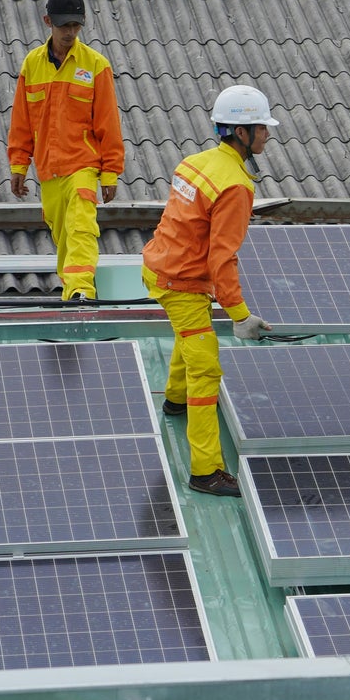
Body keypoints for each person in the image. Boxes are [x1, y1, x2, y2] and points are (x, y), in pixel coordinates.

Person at [141, 86, 281, 496]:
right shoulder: (236, 186)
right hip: (179, 283)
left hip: (158, 265)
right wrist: (240, 316)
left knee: (192, 336)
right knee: (206, 367)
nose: (268, 135)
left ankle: (174, 401)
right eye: (261, 128)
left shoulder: (194, 163)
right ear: (241, 132)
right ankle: (206, 471)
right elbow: (223, 258)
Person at [7, 0, 124, 302]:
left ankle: (81, 290)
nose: (71, 32)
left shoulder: (96, 66)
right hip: (48, 172)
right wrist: (19, 165)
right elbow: (21, 121)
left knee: (81, 226)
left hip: (83, 165)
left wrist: (110, 172)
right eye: (64, 26)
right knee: (63, 236)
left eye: (76, 25)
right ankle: (70, 295)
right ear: (48, 22)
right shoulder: (32, 65)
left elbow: (108, 123)